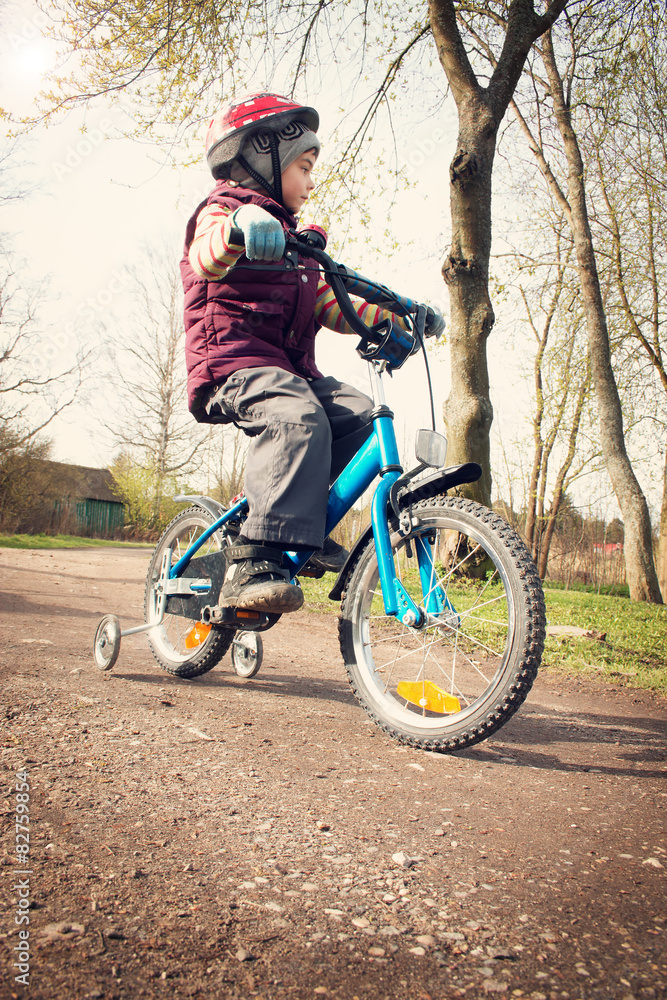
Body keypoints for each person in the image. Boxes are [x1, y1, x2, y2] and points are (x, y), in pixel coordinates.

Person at [181, 92, 416, 615]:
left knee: (360, 417)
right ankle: (255, 558)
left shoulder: (299, 246)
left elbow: (332, 304)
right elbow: (207, 254)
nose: (311, 182)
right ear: (261, 155)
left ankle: (299, 522)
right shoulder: (223, 211)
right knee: (298, 416)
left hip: (290, 371)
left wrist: (398, 319)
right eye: (304, 166)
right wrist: (241, 228)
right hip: (233, 362)